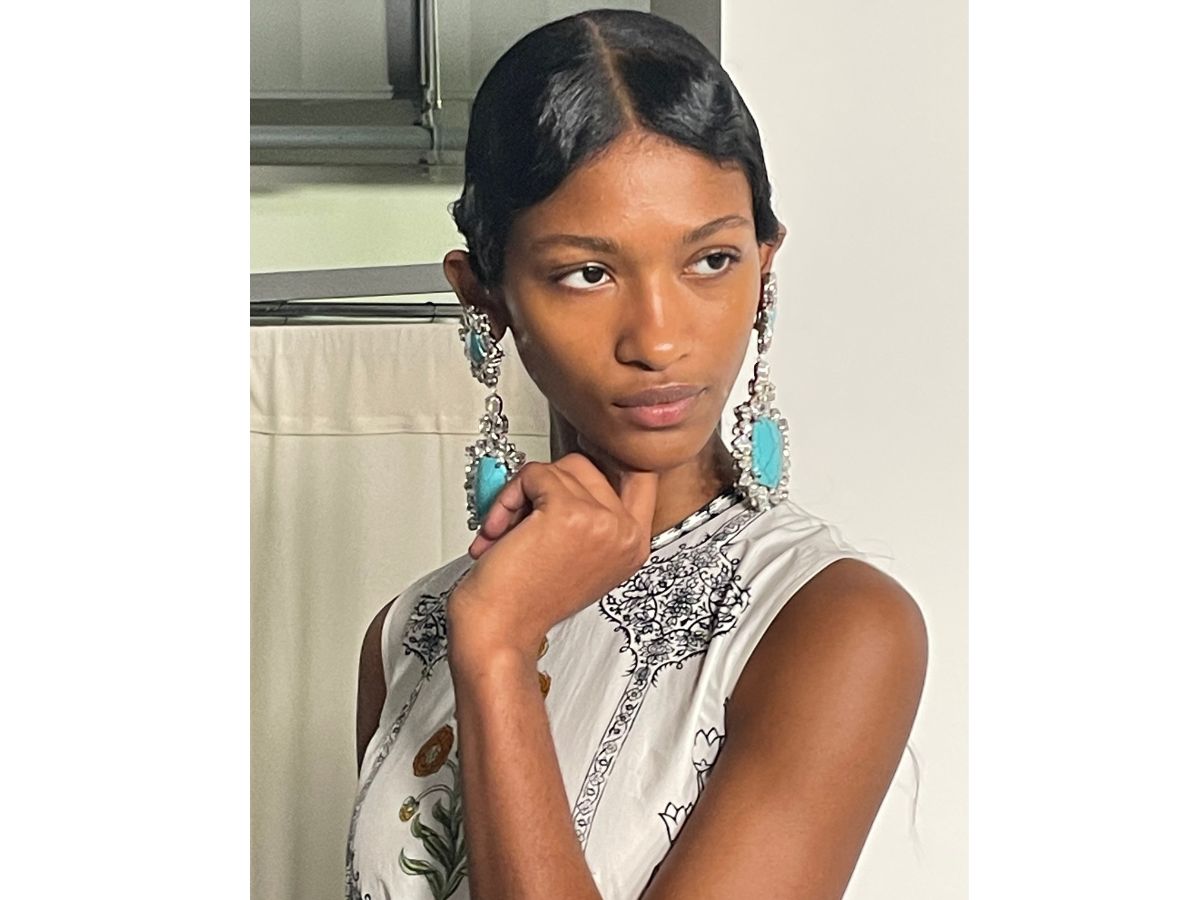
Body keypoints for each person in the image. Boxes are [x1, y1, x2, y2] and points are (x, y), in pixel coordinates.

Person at [346, 9, 928, 899]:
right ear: (484, 297)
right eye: (588, 272)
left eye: (712, 260)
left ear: (764, 267)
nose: (658, 340)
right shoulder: (409, 632)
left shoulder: (832, 624)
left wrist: (499, 652)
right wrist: (484, 625)